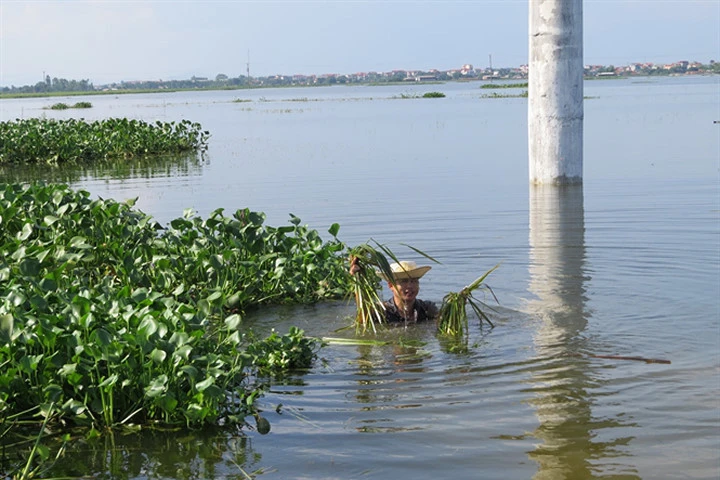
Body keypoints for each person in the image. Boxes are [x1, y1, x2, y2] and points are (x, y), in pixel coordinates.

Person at [350, 258, 438, 324]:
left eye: (414, 281)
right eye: (404, 281)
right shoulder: (382, 311)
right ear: (391, 285)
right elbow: (363, 318)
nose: (410, 286)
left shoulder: (427, 309)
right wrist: (358, 279)